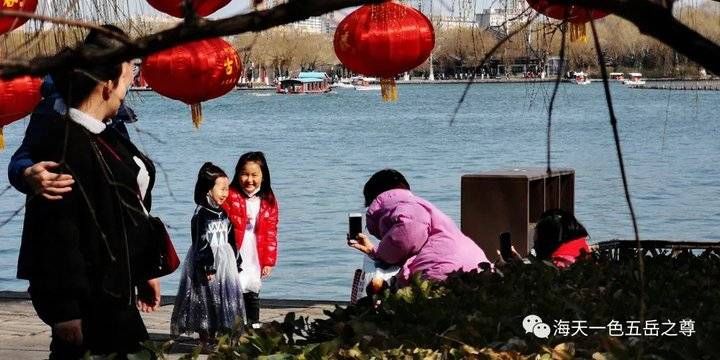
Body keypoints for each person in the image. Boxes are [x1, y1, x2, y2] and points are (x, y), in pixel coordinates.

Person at [16, 25, 163, 359]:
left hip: (118, 291)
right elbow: (55, 233)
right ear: (107, 85)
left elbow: (131, 209)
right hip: (90, 303)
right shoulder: (64, 142)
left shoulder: (107, 134)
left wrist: (144, 270)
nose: (130, 88)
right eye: (128, 78)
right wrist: (63, 308)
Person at [347, 169, 491, 287]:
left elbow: (405, 238)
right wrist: (374, 252)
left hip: (443, 274)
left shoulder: (407, 208)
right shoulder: (419, 206)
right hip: (470, 269)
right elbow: (412, 246)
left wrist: (382, 254)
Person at [7, 74, 137, 200]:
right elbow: (22, 158)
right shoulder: (52, 112)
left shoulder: (114, 119)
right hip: (61, 211)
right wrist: (27, 173)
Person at [171, 162, 245, 345]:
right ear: (208, 190)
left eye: (227, 189)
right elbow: (200, 241)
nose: (225, 193)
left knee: (224, 297)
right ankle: (205, 337)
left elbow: (230, 239)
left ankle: (221, 335)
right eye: (222, 189)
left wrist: (236, 259)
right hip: (207, 262)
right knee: (205, 298)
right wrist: (206, 264)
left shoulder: (223, 213)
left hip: (225, 262)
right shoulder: (201, 214)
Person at [223, 151, 279, 326]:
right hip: (234, 249)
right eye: (244, 174)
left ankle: (254, 325)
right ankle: (231, 327)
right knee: (234, 288)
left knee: (252, 288)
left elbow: (271, 232)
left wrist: (269, 261)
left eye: (254, 175)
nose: (249, 180)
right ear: (237, 174)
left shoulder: (268, 199)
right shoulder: (230, 195)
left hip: (255, 250)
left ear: (263, 176)